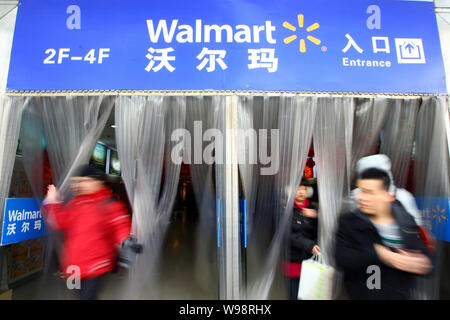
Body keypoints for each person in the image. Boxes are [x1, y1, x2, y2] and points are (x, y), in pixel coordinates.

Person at [334, 155, 432, 299]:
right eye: (361, 190)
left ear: (389, 195)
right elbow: (342, 258)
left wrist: (423, 263)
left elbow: (425, 257)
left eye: (370, 192)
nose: (361, 197)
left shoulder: (405, 218)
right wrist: (379, 254)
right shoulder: (350, 222)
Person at [43, 164, 140, 300]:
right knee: (80, 295)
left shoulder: (108, 203)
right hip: (75, 264)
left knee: (87, 297)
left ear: (97, 182)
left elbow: (119, 224)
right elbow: (60, 222)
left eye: (84, 181)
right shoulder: (75, 203)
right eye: (77, 182)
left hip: (96, 265)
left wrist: (126, 241)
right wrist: (52, 202)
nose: (79, 185)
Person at [282, 180, 320, 300]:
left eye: (304, 189)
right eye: (298, 189)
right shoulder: (287, 209)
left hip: (310, 259)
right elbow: (288, 235)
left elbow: (322, 231)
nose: (301, 192)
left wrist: (317, 216)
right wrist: (310, 246)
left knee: (309, 293)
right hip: (293, 258)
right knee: (294, 293)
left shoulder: (313, 209)